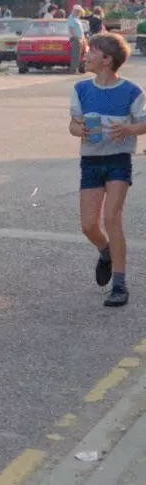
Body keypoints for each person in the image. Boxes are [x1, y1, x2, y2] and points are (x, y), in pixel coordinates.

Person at [70, 33, 146, 307]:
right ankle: (105, 251)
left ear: (106, 59)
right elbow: (72, 125)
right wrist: (81, 130)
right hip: (91, 160)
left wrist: (128, 129)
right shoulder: (81, 89)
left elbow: (144, 123)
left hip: (118, 160)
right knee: (89, 225)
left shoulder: (132, 91)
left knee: (112, 217)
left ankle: (120, 284)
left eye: (91, 51)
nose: (87, 55)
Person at [69, 6, 88, 72]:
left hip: (80, 38)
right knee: (76, 55)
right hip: (75, 38)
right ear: (75, 10)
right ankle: (73, 69)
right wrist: (75, 37)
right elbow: (71, 29)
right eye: (78, 11)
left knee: (80, 54)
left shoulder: (76, 18)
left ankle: (76, 69)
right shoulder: (71, 18)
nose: (79, 13)